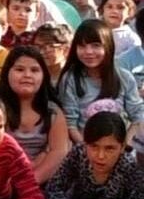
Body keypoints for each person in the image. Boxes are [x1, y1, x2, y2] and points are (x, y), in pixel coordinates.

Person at [58, 19, 144, 147]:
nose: (89, 52)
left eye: (96, 45)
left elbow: (138, 116)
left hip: (118, 149)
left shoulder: (124, 77)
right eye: (82, 46)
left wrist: (122, 145)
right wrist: (88, 149)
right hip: (84, 147)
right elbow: (70, 123)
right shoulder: (71, 79)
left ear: (108, 46)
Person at [0, 46, 70, 184]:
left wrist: (29, 183)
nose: (27, 75)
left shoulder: (53, 112)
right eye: (20, 69)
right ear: (7, 73)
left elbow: (59, 151)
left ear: (43, 76)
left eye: (34, 70)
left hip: (39, 182)